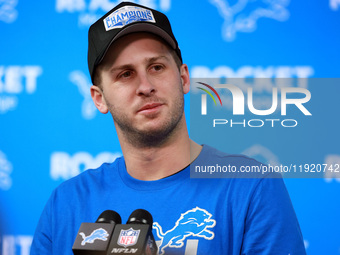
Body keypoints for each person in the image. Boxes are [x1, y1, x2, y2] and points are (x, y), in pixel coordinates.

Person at [31, 2, 306, 254]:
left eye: (157, 67)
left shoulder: (250, 187)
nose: (145, 86)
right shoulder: (66, 205)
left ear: (184, 78)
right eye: (125, 74)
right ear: (99, 98)